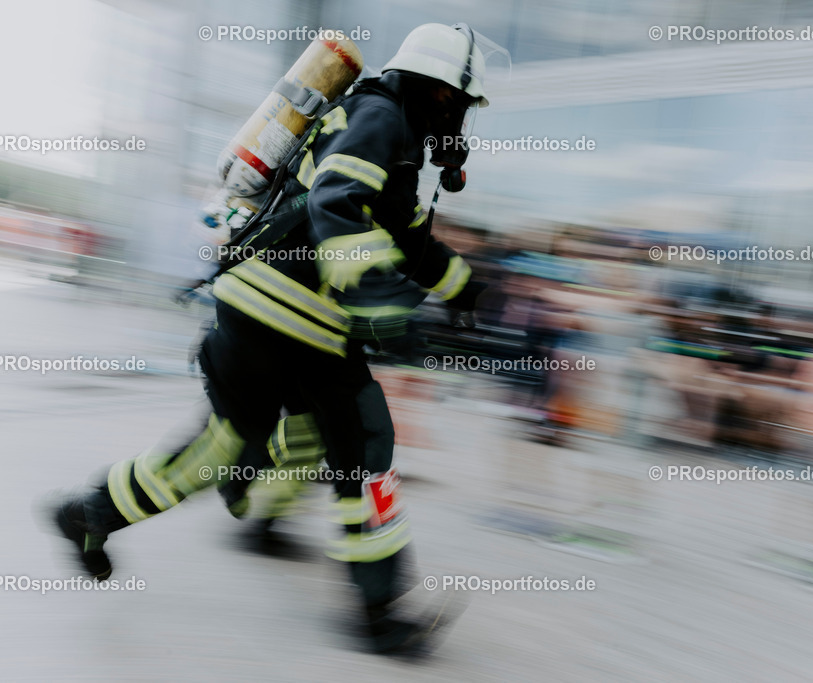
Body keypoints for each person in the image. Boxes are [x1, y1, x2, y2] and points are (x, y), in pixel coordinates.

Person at [47, 22, 491, 654]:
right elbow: (337, 197)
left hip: (264, 310)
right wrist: (378, 297)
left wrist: (468, 290)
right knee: (358, 443)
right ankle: (379, 612)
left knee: (232, 445)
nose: (464, 124)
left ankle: (94, 512)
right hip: (296, 317)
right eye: (465, 106)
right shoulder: (382, 117)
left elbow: (411, 240)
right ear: (443, 93)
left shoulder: (384, 133)